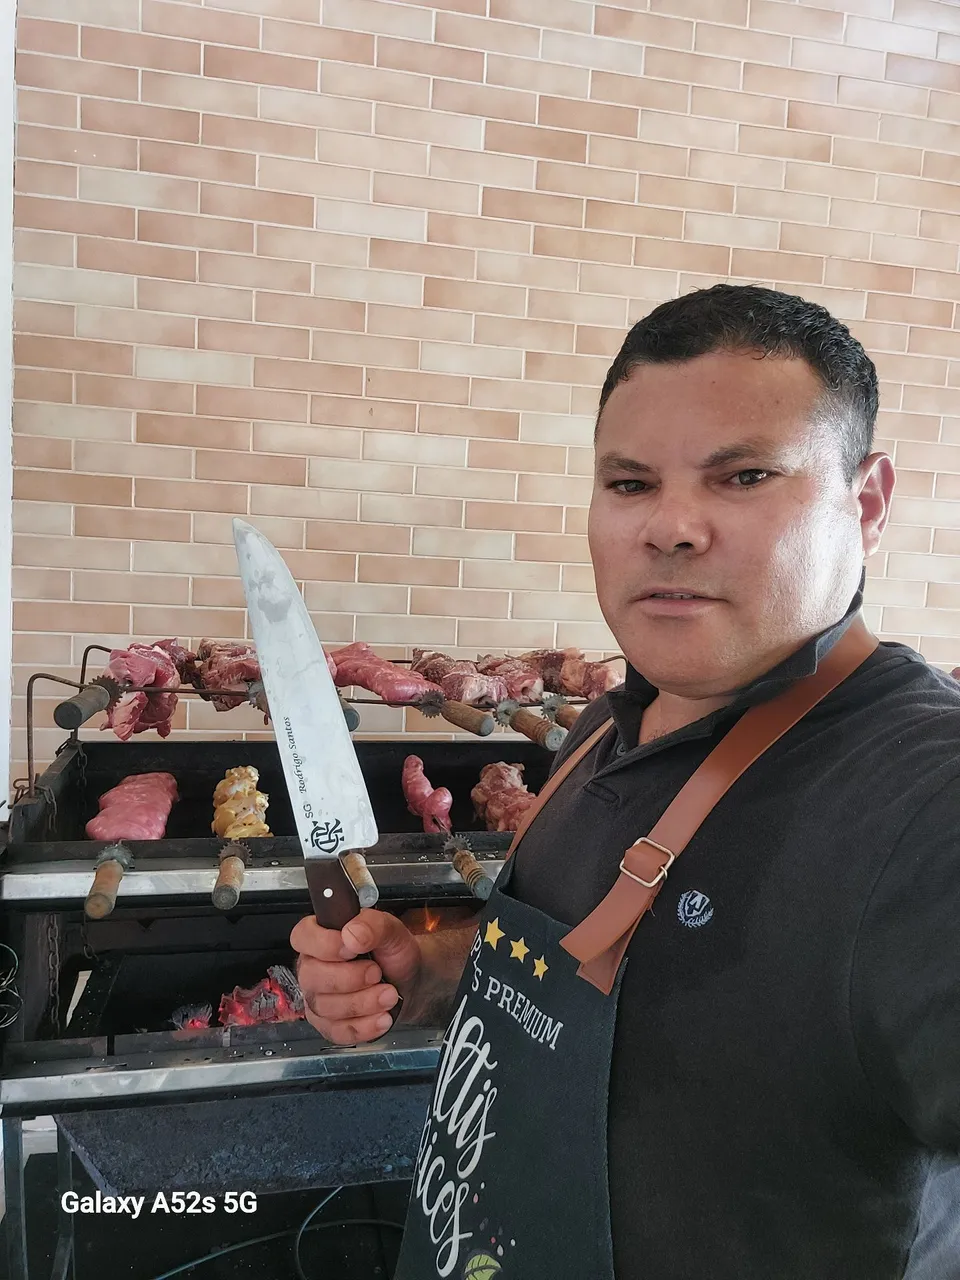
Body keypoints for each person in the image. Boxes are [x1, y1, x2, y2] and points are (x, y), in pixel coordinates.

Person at [291, 284, 960, 1280]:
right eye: (631, 482)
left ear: (865, 505)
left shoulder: (921, 798)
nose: (671, 526)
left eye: (743, 476)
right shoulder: (608, 722)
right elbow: (613, 956)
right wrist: (428, 970)